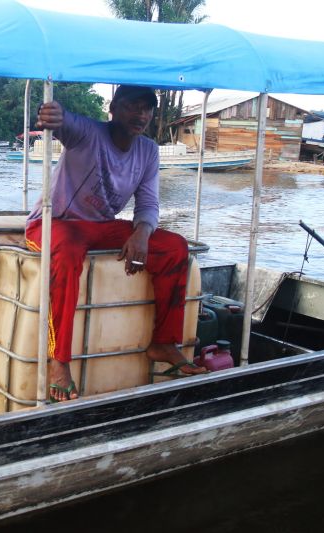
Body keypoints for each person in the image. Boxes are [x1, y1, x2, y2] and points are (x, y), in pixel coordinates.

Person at [26, 84, 207, 403]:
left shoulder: (148, 151)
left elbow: (148, 203)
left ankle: (164, 342)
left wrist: (142, 232)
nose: (141, 114)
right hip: (54, 223)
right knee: (67, 250)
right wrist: (52, 114)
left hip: (100, 226)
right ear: (113, 108)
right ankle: (59, 359)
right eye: (132, 106)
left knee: (174, 247)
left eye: (147, 108)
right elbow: (64, 121)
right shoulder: (89, 132)